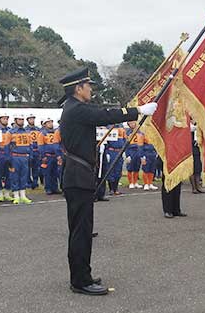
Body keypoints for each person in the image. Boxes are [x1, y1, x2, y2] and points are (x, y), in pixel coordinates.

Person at [58, 67, 157, 295]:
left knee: (81, 229)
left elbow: (101, 114)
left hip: (79, 176)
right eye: (88, 86)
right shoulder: (76, 109)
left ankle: (82, 274)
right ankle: (81, 281)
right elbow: (104, 115)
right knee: (81, 231)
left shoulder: (74, 108)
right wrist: (138, 110)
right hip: (78, 177)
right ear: (78, 88)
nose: (91, 90)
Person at [4, 114, 33, 204]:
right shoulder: (10, 132)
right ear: (15, 120)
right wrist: (8, 159)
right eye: (19, 120)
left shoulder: (27, 132)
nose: (21, 121)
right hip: (15, 156)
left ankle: (23, 195)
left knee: (24, 176)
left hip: (25, 157)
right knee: (14, 176)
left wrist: (30, 156)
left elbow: (30, 145)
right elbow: (6, 146)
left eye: (22, 120)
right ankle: (16, 196)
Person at [0, 113, 13, 202]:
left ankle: (7, 193)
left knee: (9, 173)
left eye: (6, 118)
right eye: (4, 118)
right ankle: (0, 193)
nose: (5, 120)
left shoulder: (10, 130)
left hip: (8, 154)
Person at [41, 118, 62, 195]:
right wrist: (43, 156)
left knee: (55, 173)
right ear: (44, 124)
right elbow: (41, 145)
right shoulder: (43, 133)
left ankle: (55, 188)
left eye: (51, 122)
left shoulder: (55, 132)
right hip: (48, 156)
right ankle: (48, 188)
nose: (50, 124)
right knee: (48, 173)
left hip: (55, 155)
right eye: (48, 123)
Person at [105, 124, 126, 195]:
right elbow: (106, 141)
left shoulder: (121, 127)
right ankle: (111, 189)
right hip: (111, 151)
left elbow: (125, 140)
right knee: (110, 171)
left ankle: (116, 189)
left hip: (119, 151)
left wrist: (124, 151)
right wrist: (107, 152)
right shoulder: (108, 127)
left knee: (118, 171)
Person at [125, 121, 144, 188]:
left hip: (138, 151)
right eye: (130, 123)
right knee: (130, 167)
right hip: (131, 150)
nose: (132, 124)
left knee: (137, 167)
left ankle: (135, 182)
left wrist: (142, 155)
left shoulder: (139, 132)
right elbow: (126, 145)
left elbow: (142, 144)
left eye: (133, 123)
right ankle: (131, 182)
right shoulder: (127, 132)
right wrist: (127, 155)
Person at [27, 114, 43, 189]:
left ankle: (35, 182)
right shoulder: (25, 129)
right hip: (29, 150)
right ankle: (28, 182)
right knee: (27, 168)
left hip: (37, 150)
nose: (32, 120)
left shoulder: (38, 129)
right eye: (30, 119)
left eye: (33, 119)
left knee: (36, 167)